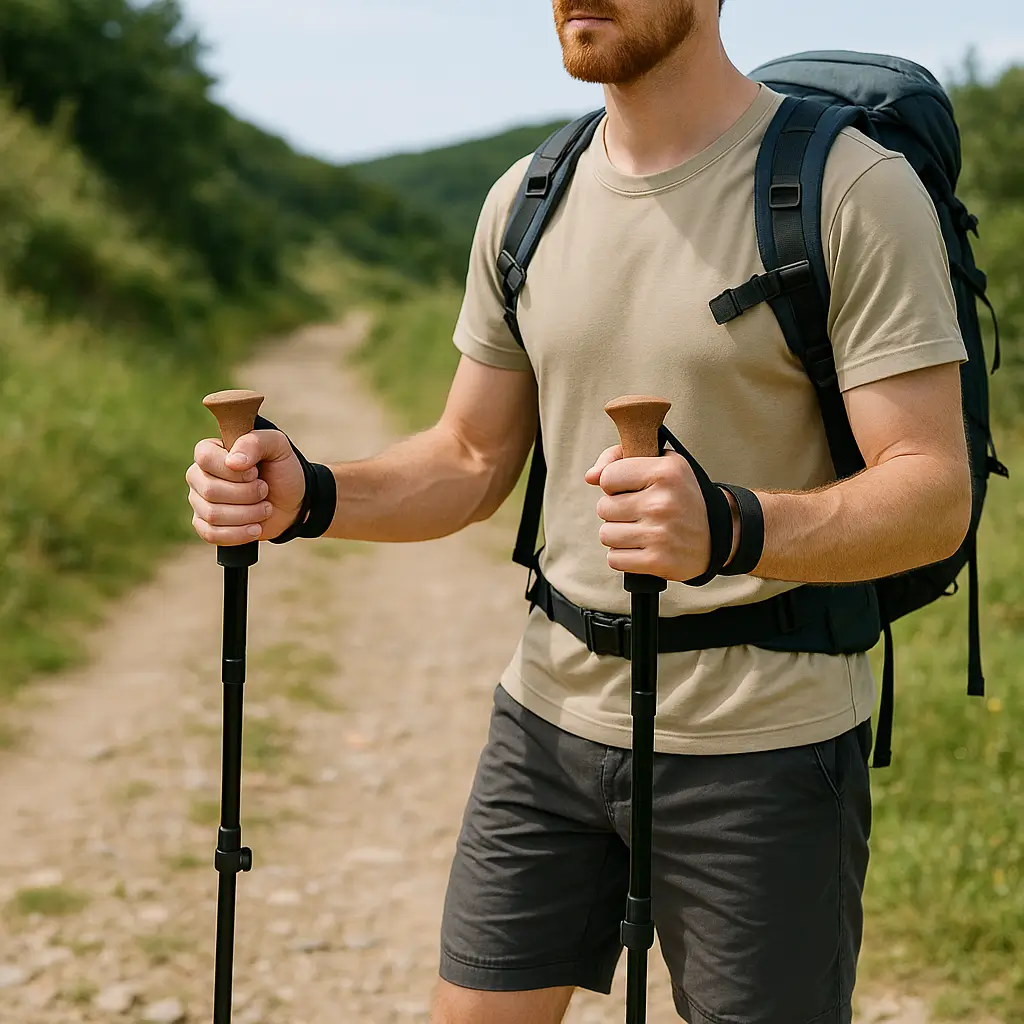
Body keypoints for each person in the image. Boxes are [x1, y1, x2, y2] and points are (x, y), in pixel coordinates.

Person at [185, 2, 973, 1021]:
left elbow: (930, 492)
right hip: (546, 728)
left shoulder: (851, 190)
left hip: (764, 753)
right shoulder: (529, 198)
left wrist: (730, 527)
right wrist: (310, 492)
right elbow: (469, 456)